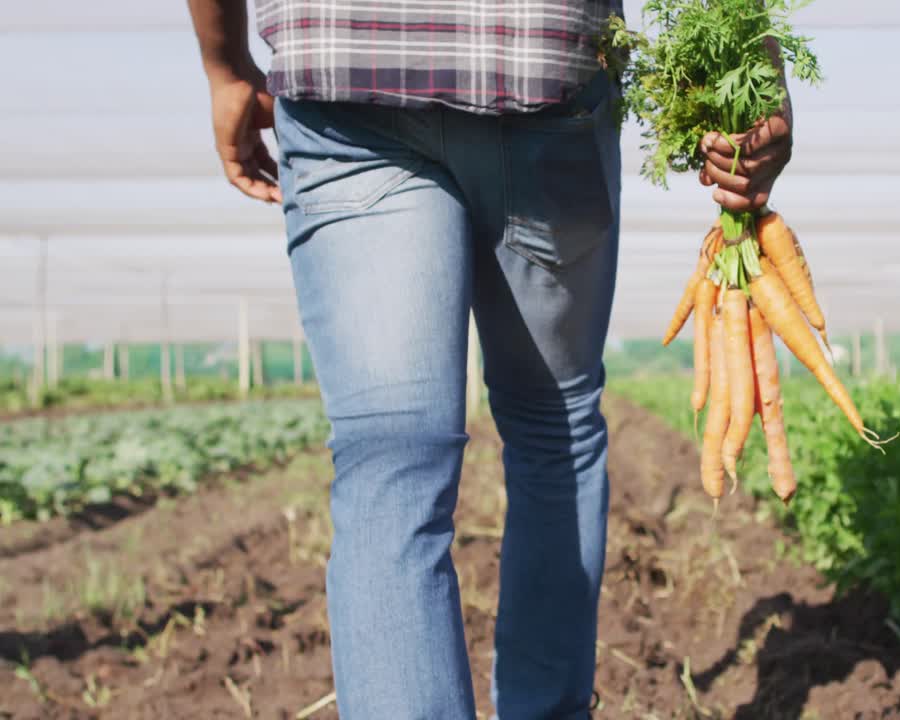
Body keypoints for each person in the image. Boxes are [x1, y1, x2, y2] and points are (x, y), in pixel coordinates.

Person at [186, 1, 794, 716]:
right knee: (553, 426)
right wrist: (754, 67)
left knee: (390, 459)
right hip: (542, 68)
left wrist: (225, 66)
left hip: (345, 76)